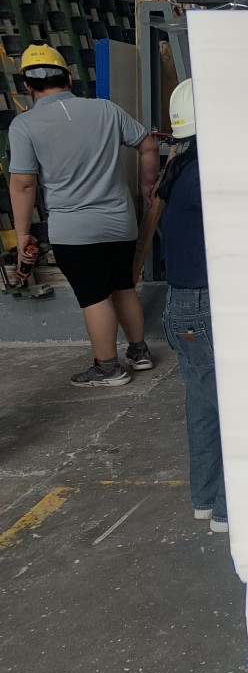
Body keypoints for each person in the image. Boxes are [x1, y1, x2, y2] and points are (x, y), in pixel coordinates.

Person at [9, 42, 160, 387]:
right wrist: (146, 187)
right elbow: (149, 146)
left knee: (94, 296)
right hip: (120, 223)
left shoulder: (24, 125)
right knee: (123, 286)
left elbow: (23, 184)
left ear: (28, 86)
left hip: (74, 230)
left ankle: (108, 368)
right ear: (69, 78)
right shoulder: (106, 109)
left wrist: (22, 235)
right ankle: (139, 352)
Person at [159, 79, 228, 533]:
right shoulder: (207, 174)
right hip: (203, 306)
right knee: (227, 406)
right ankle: (226, 509)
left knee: (204, 405)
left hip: (184, 306)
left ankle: (207, 501)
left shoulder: (182, 169)